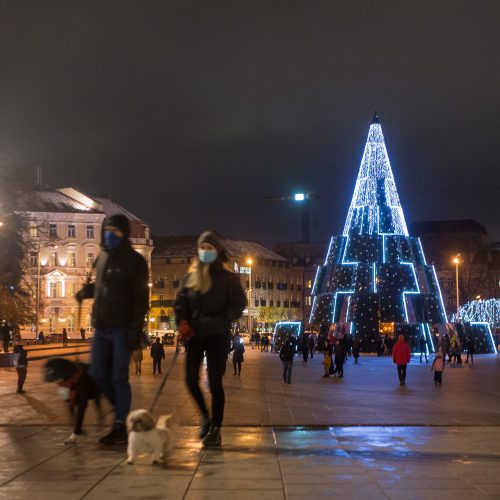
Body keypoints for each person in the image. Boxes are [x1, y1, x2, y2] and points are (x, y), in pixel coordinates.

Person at [76, 214, 149, 445]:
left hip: (122, 327)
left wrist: (134, 330)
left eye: (116, 231)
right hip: (101, 326)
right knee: (98, 375)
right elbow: (100, 288)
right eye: (108, 230)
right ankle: (123, 415)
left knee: (119, 377)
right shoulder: (102, 258)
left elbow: (140, 300)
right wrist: (86, 292)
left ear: (124, 234)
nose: (111, 234)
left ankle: (119, 426)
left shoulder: (135, 261)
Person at [174, 231, 246, 447]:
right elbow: (180, 303)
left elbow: (238, 305)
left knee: (215, 383)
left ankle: (216, 427)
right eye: (202, 248)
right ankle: (205, 417)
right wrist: (183, 321)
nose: (205, 252)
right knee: (189, 380)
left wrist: (222, 318)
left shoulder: (228, 279)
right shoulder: (191, 276)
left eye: (209, 248)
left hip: (217, 335)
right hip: (195, 336)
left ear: (218, 251)